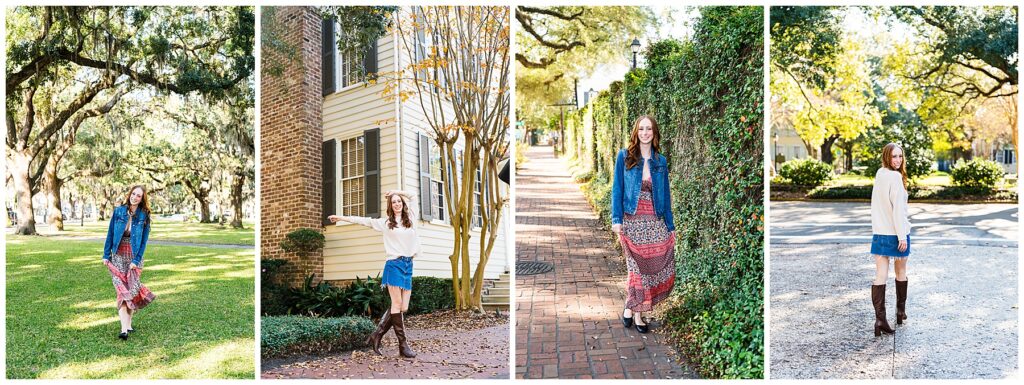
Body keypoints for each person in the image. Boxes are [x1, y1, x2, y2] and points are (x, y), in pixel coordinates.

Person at [328, 190, 421, 358]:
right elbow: (365, 221)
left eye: (399, 201)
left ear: (403, 203)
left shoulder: (411, 218)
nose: (397, 204)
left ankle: (377, 334)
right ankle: (403, 345)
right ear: (390, 206)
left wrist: (395, 192)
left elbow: (413, 195)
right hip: (394, 265)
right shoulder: (386, 223)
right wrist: (341, 218)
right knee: (396, 304)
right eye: (393, 202)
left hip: (408, 265)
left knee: (403, 307)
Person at [610, 115, 676, 334]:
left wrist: (670, 225)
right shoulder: (625, 156)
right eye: (641, 129)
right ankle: (638, 315)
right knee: (635, 268)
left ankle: (630, 310)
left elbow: (665, 194)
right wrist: (617, 220)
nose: (645, 132)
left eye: (649, 129)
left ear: (654, 132)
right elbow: (617, 189)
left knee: (647, 269)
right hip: (631, 219)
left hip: (654, 221)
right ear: (636, 132)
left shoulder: (661, 161)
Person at [102, 185, 156, 340]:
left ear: (142, 199)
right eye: (133, 194)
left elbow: (144, 241)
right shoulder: (118, 211)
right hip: (118, 256)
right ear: (129, 194)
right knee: (122, 291)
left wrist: (136, 260)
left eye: (139, 196)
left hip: (133, 257)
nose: (135, 197)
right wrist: (106, 255)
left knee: (131, 290)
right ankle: (123, 329)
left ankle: (129, 324)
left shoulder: (144, 215)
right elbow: (110, 234)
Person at [869, 143, 911, 336]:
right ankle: (900, 312)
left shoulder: (880, 174)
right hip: (896, 234)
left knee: (880, 275)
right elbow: (898, 211)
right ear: (887, 156)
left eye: (900, 157)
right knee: (901, 271)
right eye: (894, 156)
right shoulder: (895, 177)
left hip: (879, 233)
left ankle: (880, 320)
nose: (898, 160)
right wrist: (902, 236)